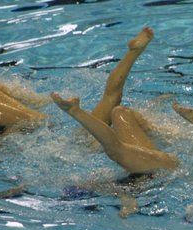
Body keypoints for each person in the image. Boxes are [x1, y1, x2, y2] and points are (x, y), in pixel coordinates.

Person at [49, 27, 178, 174]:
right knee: (115, 106)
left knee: (116, 108)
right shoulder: (156, 163)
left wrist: (76, 112)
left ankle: (134, 52)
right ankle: (133, 52)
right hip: (89, 143)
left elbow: (115, 150)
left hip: (91, 145)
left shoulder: (154, 165)